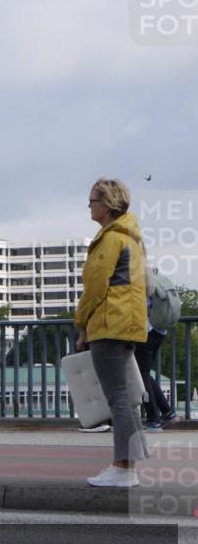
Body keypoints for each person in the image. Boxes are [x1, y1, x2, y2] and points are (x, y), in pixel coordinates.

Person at [74, 177, 149, 488]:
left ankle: (122, 468)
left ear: (105, 206)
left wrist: (81, 323)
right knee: (126, 399)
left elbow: (95, 287)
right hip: (129, 323)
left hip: (109, 323)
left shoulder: (109, 239)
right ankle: (127, 465)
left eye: (92, 201)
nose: (89, 207)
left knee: (117, 398)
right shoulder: (132, 237)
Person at [135, 276, 180, 432]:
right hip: (160, 330)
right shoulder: (153, 275)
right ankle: (167, 412)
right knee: (144, 373)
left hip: (146, 332)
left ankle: (153, 419)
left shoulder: (136, 276)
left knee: (141, 376)